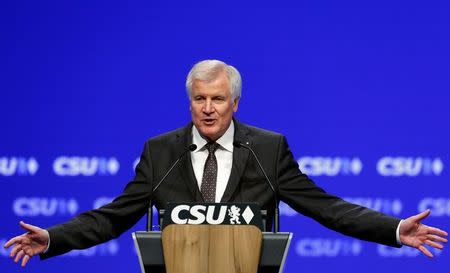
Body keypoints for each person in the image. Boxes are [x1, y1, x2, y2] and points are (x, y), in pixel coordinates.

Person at [5, 60, 448, 267]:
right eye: (200, 99)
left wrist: (392, 229)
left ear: (235, 103)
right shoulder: (160, 150)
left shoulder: (268, 149)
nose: (209, 108)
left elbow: (326, 207)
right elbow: (114, 216)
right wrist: (54, 237)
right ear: (190, 103)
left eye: (218, 99)